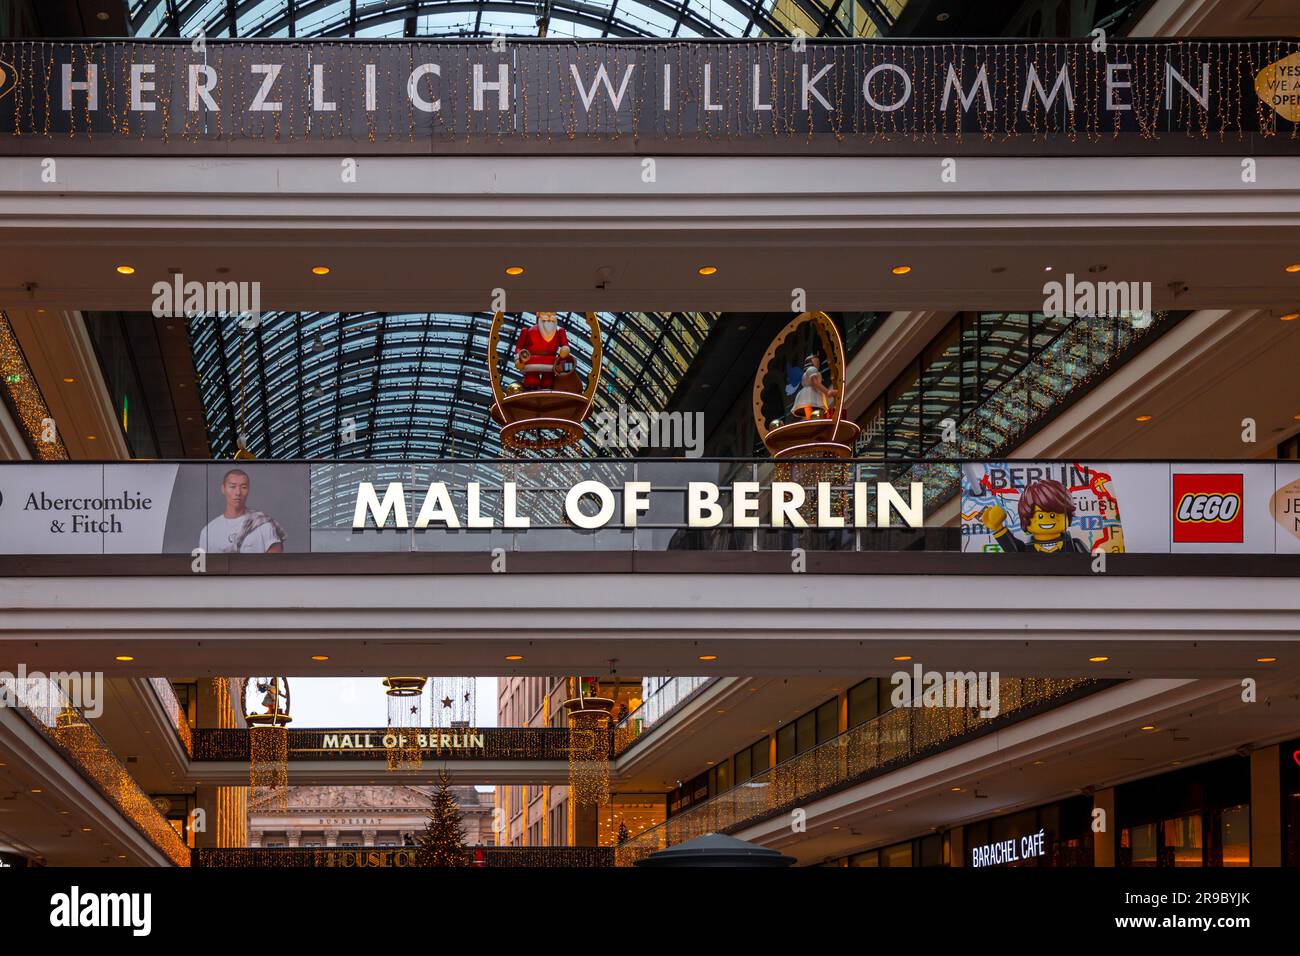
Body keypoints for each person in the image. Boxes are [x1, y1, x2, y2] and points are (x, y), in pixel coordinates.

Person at [982, 479, 1088, 554]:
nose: (1047, 520)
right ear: (1025, 518)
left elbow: (1089, 566)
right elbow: (1014, 552)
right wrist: (998, 528)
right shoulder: (1028, 549)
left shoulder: (1074, 545)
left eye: (1052, 515)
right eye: (1040, 516)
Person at [198, 468, 286, 553]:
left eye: (243, 487)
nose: (238, 492)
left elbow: (275, 565)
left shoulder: (264, 525)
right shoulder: (208, 531)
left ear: (248, 490)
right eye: (232, 487)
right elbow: (203, 566)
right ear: (223, 489)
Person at [514, 311, 571, 390]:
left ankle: (547, 387)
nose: (549, 315)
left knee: (548, 381)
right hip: (532, 363)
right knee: (532, 381)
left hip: (551, 364)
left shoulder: (560, 332)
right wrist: (519, 358)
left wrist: (565, 350)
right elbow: (518, 347)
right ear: (538, 314)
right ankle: (532, 387)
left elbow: (565, 346)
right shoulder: (527, 331)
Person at [792, 355, 835, 419]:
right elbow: (815, 383)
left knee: (810, 414)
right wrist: (827, 392)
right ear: (811, 362)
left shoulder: (808, 372)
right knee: (813, 411)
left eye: (818, 361)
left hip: (807, 395)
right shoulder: (812, 369)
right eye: (816, 361)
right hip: (811, 394)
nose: (818, 363)